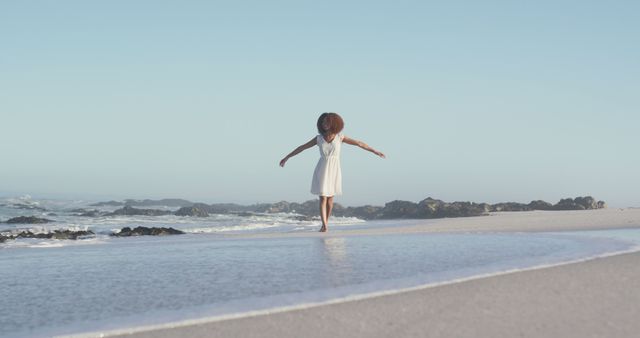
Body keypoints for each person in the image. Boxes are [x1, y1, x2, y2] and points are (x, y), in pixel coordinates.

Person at [279, 112, 386, 232]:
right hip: (322, 168)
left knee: (330, 199)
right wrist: (287, 157)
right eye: (323, 122)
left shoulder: (340, 137)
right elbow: (302, 147)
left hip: (334, 168)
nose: (325, 124)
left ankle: (326, 222)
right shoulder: (318, 138)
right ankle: (324, 225)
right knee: (323, 197)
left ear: (334, 123)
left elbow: (359, 143)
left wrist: (374, 151)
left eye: (327, 122)